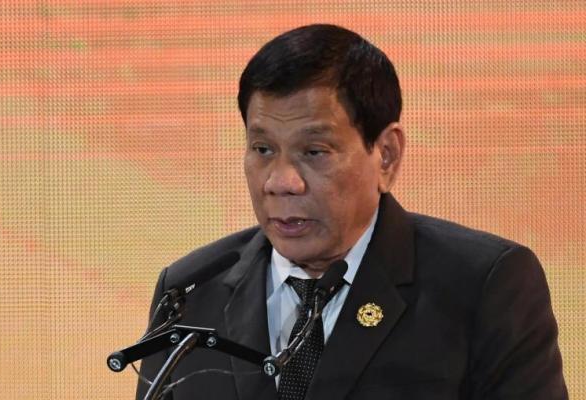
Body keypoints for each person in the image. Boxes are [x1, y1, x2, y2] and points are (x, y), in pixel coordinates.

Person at [136, 24, 567, 400]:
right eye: (262, 149)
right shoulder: (190, 291)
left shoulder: (484, 286)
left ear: (386, 154)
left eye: (314, 151)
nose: (281, 181)